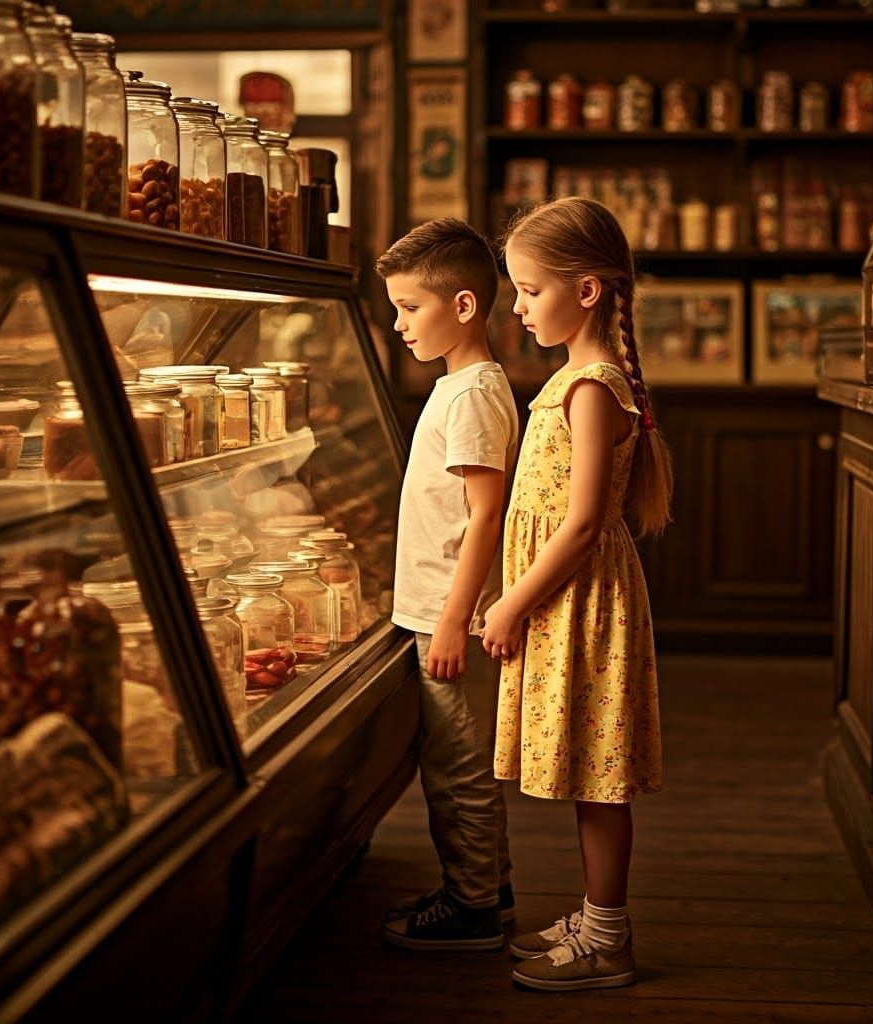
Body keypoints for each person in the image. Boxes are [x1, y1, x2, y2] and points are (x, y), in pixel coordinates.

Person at [481, 197, 673, 990]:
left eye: (529, 290)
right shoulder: (577, 377)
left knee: (597, 778)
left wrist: (509, 601)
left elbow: (586, 520)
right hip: (567, 598)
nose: (518, 307)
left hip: (578, 602)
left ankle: (608, 939)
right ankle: (595, 917)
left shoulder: (591, 386)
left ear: (586, 291)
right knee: (584, 771)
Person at [375, 218, 519, 951]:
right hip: (437, 608)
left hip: (447, 614)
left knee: (460, 771)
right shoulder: (461, 384)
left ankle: (472, 912)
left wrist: (457, 618)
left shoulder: (471, 395)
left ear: (463, 307)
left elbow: (486, 515)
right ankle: (485, 887)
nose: (398, 324)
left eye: (409, 308)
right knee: (458, 766)